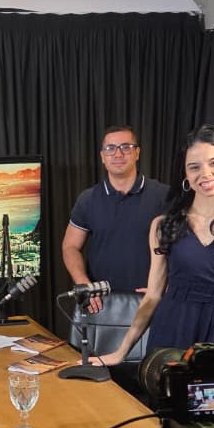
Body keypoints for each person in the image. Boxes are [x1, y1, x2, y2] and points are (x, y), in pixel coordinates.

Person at [90, 124, 214, 367]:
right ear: (185, 174)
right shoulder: (163, 225)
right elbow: (153, 296)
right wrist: (120, 352)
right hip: (172, 334)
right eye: (194, 167)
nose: (205, 174)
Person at [62, 124, 169, 314]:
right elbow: (70, 247)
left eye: (126, 147)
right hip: (102, 305)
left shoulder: (163, 196)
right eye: (110, 148)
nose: (118, 154)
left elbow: (184, 249)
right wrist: (84, 283)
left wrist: (166, 287)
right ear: (102, 156)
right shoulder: (88, 199)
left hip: (151, 303)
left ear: (137, 153)